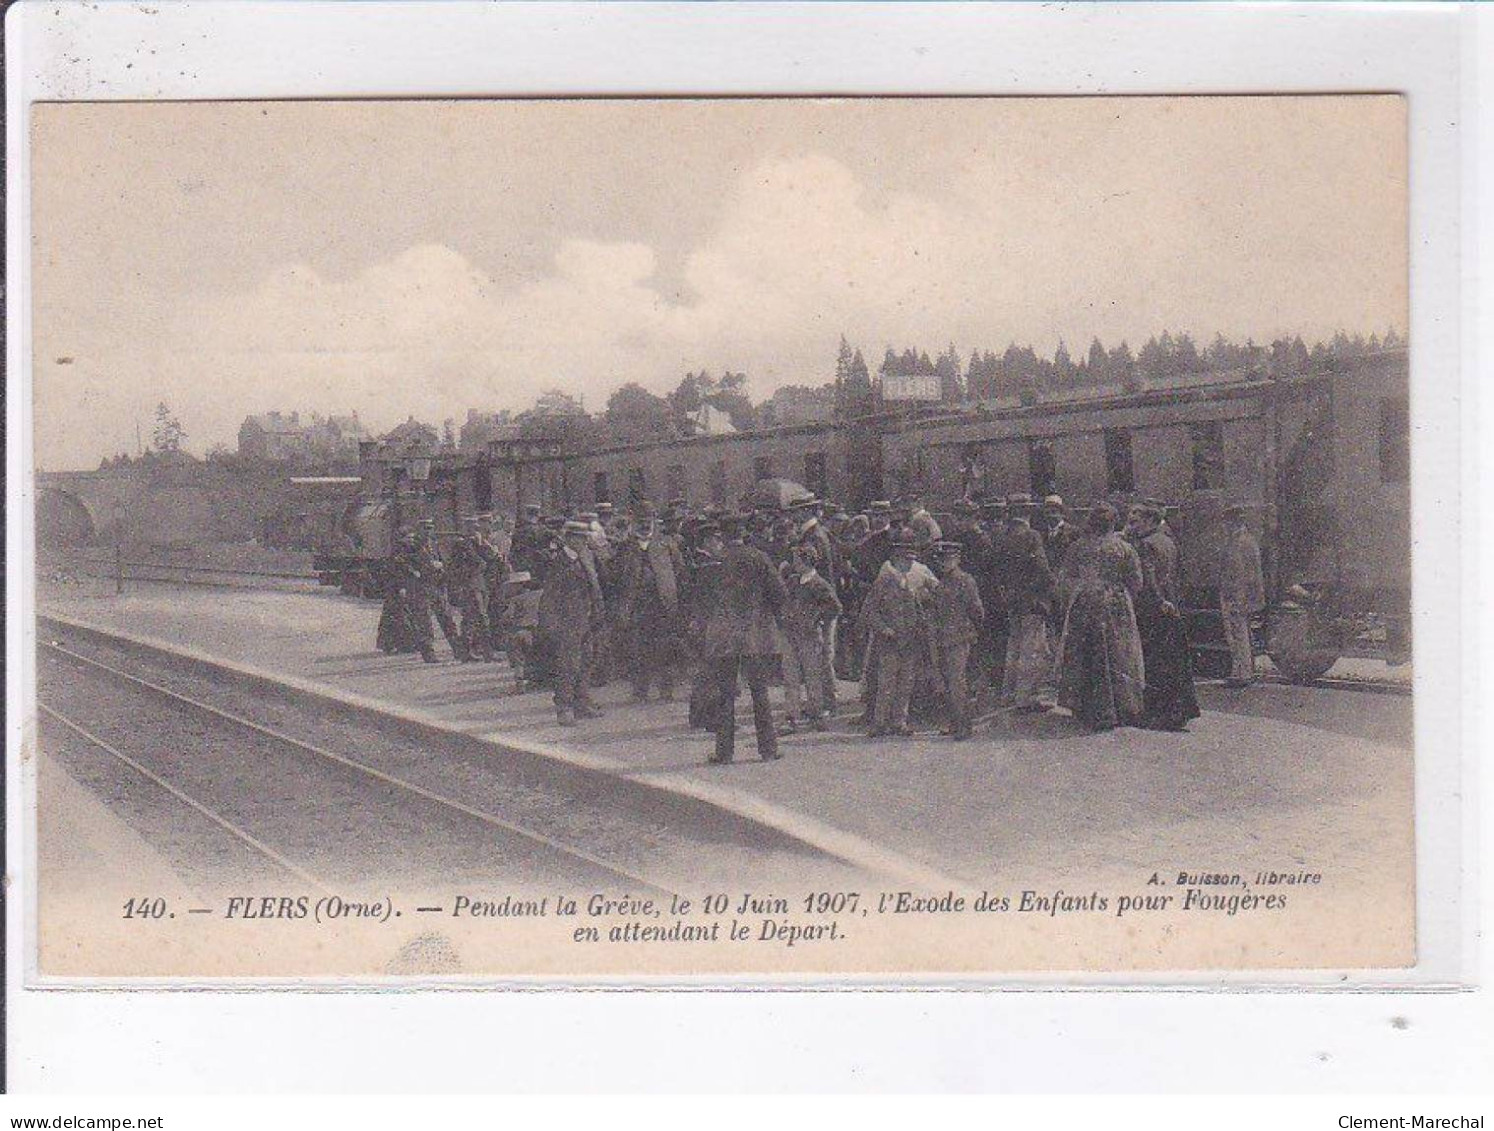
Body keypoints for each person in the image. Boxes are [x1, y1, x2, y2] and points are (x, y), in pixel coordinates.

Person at [693, 517, 787, 764]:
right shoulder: (759, 558)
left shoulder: (716, 561)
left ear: (722, 536)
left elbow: (703, 600)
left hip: (724, 637)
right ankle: (768, 749)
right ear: (744, 533)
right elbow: (779, 593)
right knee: (760, 692)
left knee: (725, 694)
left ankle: (724, 752)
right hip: (755, 634)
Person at [1054, 503, 1146, 730]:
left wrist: (1077, 594)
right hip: (1115, 604)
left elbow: (1064, 579)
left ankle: (1085, 706)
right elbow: (1136, 582)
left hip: (1084, 603)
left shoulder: (1077, 547)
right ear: (1113, 522)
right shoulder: (1124, 548)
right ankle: (1120, 707)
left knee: (1085, 653)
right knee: (1118, 654)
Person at [1127, 502, 1201, 730]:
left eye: (1136, 522)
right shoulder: (1168, 541)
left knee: (1155, 660)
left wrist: (1160, 601)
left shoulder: (1145, 545)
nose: (1133, 527)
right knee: (1174, 659)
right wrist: (1174, 601)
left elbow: (1148, 579)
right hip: (1173, 606)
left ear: (1149, 521)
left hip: (1154, 608)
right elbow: (1180, 574)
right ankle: (1179, 711)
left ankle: (1159, 712)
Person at [613, 501, 687, 702]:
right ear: (634, 522)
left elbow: (679, 570)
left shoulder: (666, 543)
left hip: (662, 604)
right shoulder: (625, 547)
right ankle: (640, 691)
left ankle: (666, 690)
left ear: (654, 521)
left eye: (649, 521)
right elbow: (616, 576)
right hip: (637, 605)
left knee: (665, 648)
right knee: (638, 649)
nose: (645, 525)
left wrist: (671, 592)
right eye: (641, 521)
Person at [537, 520, 606, 726]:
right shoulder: (558, 562)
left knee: (586, 662)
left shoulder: (587, 557)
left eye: (585, 537)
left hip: (587, 619)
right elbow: (549, 597)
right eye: (578, 537)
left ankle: (582, 703)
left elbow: (597, 584)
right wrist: (551, 626)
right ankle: (564, 708)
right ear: (568, 538)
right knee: (568, 665)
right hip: (566, 622)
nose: (583, 541)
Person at [860, 536, 929, 737]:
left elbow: (919, 611)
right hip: (889, 642)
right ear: (897, 561)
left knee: (905, 684)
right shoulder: (883, 582)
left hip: (909, 641)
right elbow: (870, 612)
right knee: (886, 684)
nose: (909, 564)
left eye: (911, 561)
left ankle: (900, 721)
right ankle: (880, 722)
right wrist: (884, 629)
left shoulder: (911, 585)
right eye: (906, 561)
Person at [999, 494, 1057, 712]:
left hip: (1012, 600)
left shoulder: (1004, 537)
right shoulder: (1032, 536)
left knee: (1013, 647)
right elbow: (1042, 570)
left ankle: (1009, 694)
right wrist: (1052, 586)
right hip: (1032, 601)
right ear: (1027, 514)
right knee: (1031, 650)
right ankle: (1025, 697)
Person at [778, 541, 842, 733]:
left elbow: (835, 608)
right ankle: (792, 716)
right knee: (791, 677)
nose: (793, 563)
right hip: (791, 635)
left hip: (810, 637)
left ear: (806, 561)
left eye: (796, 559)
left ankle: (816, 714)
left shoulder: (819, 584)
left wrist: (817, 620)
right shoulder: (793, 581)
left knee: (812, 676)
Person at [927, 541, 985, 740]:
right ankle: (954, 723)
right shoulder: (941, 582)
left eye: (948, 559)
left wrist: (974, 631)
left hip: (960, 637)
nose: (943, 563)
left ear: (957, 559)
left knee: (957, 682)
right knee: (948, 681)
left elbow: (977, 609)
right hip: (943, 637)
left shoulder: (965, 581)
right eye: (941, 560)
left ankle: (963, 726)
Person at [1219, 504, 1266, 687]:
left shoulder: (1240, 541)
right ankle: (1242, 670)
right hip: (1241, 595)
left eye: (1227, 522)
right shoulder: (1246, 540)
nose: (1225, 526)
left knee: (1238, 634)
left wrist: (1237, 598)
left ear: (1233, 522)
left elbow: (1241, 574)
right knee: (1241, 633)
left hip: (1237, 595)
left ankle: (1242, 673)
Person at [446, 516, 497, 662]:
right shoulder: (462, 544)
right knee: (477, 617)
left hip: (479, 584)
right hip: (469, 585)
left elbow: (491, 557)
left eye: (476, 528)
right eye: (473, 528)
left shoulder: (477, 543)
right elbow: (478, 562)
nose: (476, 531)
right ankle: (482, 652)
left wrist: (483, 544)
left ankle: (474, 651)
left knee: (475, 618)